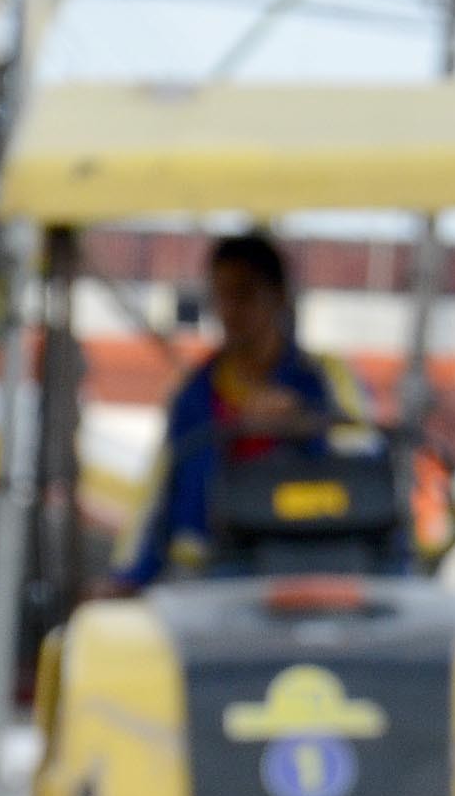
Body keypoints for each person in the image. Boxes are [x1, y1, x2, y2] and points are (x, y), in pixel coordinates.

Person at [115, 231, 357, 590]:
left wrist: (305, 423)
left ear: (277, 296)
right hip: (206, 577)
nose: (230, 310)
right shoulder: (193, 394)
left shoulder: (324, 380)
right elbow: (159, 492)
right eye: (221, 295)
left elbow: (365, 464)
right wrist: (127, 576)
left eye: (243, 294)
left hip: (303, 572)